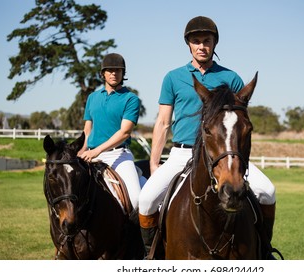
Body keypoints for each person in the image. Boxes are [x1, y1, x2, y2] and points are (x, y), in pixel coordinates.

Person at [138, 16, 277, 258]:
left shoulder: (231, 78)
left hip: (224, 153)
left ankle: (264, 252)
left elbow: (238, 124)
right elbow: (162, 122)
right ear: (189, 45)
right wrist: (154, 160)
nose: (202, 46)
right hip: (183, 153)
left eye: (207, 41)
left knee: (267, 191)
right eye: (196, 41)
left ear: (214, 44)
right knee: (147, 200)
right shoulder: (173, 78)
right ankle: (152, 257)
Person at [78, 53, 146, 210]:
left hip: (119, 155)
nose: (114, 73)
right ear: (103, 73)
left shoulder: (131, 99)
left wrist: (97, 150)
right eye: (110, 70)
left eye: (118, 70)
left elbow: (124, 132)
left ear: (123, 73)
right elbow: (87, 130)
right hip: (92, 154)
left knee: (136, 200)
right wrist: (82, 151)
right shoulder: (92, 97)